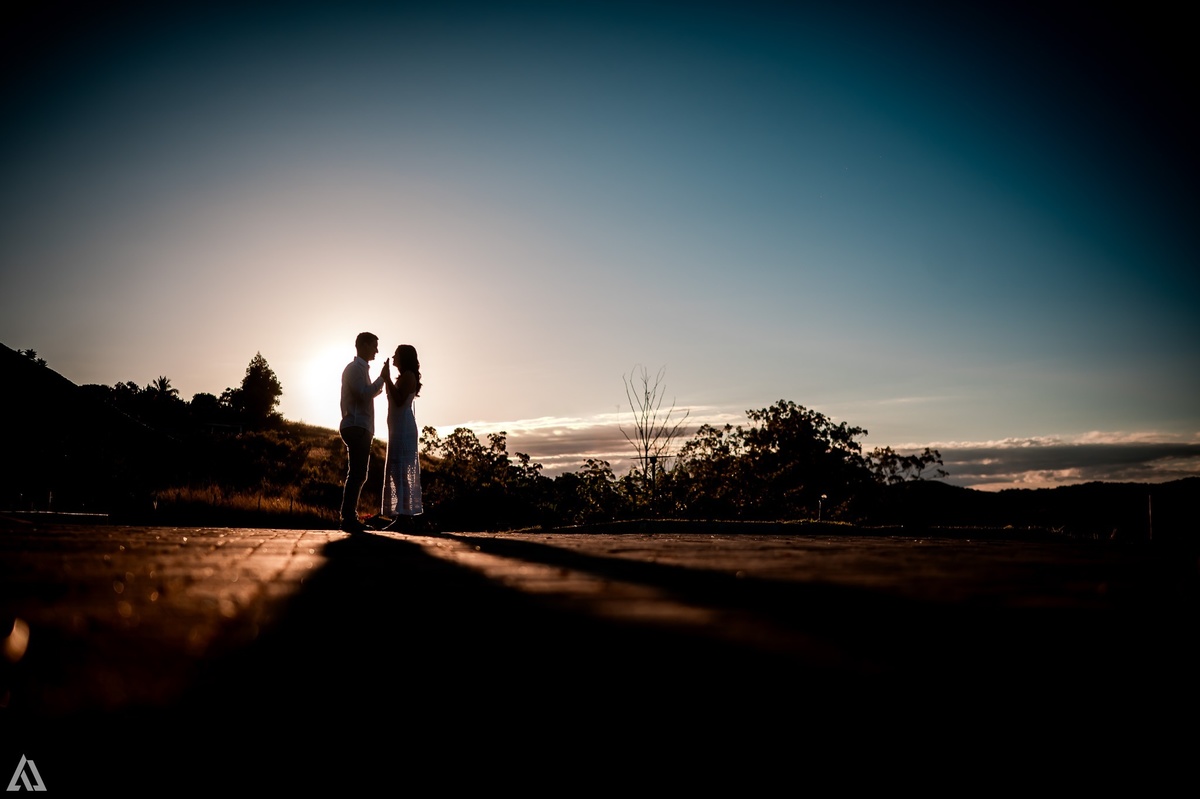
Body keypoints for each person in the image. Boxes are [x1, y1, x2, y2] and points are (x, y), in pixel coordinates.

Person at [339, 332, 389, 533]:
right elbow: (363, 394)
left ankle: (349, 516)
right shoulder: (354, 369)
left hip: (361, 426)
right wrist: (382, 378)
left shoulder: (361, 370)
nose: (377, 350)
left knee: (359, 473)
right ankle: (348, 517)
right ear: (364, 345)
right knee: (357, 473)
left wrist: (379, 381)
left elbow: (367, 393)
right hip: (356, 425)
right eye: (374, 345)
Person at [380, 344, 423, 531]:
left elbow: (398, 400)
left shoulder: (409, 376)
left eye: (396, 354)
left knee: (401, 469)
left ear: (403, 357)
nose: (393, 357)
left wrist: (387, 378)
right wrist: (387, 379)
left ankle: (405, 516)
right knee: (397, 470)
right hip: (397, 428)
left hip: (404, 428)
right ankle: (403, 514)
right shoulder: (404, 376)